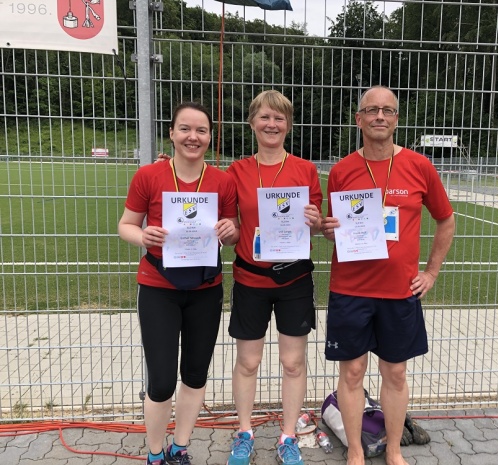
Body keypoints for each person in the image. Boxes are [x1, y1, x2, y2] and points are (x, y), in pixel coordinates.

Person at [322, 86, 455, 465]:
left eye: (388, 110)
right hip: (350, 289)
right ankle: (356, 452)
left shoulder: (419, 165)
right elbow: (334, 227)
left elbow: (445, 220)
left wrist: (431, 272)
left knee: (395, 373)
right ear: (358, 119)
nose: (380, 116)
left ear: (396, 119)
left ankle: (394, 448)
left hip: (399, 292)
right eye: (372, 110)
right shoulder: (342, 170)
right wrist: (329, 228)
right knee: (352, 373)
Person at [118, 102, 240, 465]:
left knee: (195, 374)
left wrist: (231, 231)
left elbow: (232, 232)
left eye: (201, 130)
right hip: (158, 288)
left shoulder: (223, 181)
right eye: (185, 129)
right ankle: (155, 453)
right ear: (171, 133)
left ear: (209, 137)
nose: (193, 136)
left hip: (206, 289)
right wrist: (143, 237)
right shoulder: (149, 176)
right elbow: (125, 225)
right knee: (161, 381)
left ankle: (180, 447)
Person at [225, 90, 323, 465]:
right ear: (252, 123)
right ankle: (245, 432)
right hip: (251, 279)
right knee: (248, 362)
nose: (271, 124)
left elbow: (313, 224)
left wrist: (314, 222)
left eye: (279, 118)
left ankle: (287, 436)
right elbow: (231, 224)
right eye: (265, 117)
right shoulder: (238, 171)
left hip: (293, 280)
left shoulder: (305, 170)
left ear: (288, 125)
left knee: (293, 363)